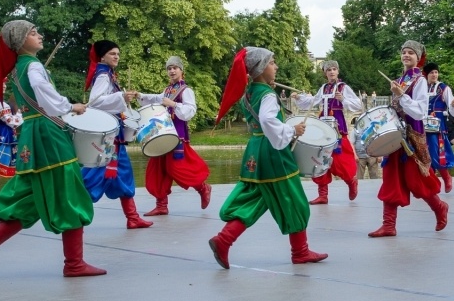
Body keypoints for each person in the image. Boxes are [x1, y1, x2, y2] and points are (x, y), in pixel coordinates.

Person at [0, 20, 105, 276]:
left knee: (28, 198)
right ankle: (73, 264)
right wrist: (70, 106)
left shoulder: (16, 68)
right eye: (33, 32)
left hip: (30, 135)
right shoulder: (33, 65)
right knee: (68, 192)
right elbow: (43, 92)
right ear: (19, 41)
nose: (39, 35)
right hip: (49, 135)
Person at [207, 47, 327, 267]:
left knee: (256, 198)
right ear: (261, 68)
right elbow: (267, 120)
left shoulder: (249, 93)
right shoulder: (268, 94)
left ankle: (223, 240)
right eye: (272, 62)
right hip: (273, 153)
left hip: (254, 150)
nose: (276, 66)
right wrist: (293, 131)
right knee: (294, 199)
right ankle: (300, 252)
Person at [368, 40, 448, 237]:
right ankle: (388, 225)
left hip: (411, 136)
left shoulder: (420, 81)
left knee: (417, 180)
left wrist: (401, 95)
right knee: (390, 178)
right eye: (404, 52)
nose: (406, 55)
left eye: (411, 52)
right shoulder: (400, 79)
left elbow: (420, 110)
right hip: (395, 135)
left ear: (418, 57)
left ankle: (439, 207)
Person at [82, 40, 152, 229]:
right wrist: (121, 97)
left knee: (121, 172)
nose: (116, 57)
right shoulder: (104, 74)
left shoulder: (108, 74)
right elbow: (94, 102)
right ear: (102, 56)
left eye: (118, 54)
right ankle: (73, 209)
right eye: (113, 54)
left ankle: (133, 217)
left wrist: (122, 98)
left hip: (112, 135)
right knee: (94, 173)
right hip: (108, 136)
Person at [137, 56, 211, 216]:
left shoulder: (186, 90)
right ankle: (161, 205)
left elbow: (190, 111)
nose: (171, 71)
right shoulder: (168, 90)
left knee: (179, 168)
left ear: (181, 70)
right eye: (169, 68)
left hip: (177, 136)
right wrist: (139, 95)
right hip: (162, 134)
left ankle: (203, 188)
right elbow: (156, 99)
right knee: (158, 169)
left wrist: (174, 104)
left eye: (174, 68)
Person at [291, 60, 362, 204]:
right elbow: (313, 101)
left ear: (338, 71)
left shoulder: (343, 87)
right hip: (323, 125)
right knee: (318, 158)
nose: (331, 72)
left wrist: (344, 99)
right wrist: (299, 97)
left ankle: (351, 181)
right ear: (325, 73)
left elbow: (358, 104)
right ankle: (323, 195)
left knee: (341, 159)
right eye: (328, 69)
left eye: (334, 69)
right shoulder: (323, 88)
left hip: (337, 126)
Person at [424, 62, 454, 192]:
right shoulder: (421, 87)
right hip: (422, 123)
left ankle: (446, 177)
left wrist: (452, 104)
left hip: (437, 125)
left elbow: (452, 107)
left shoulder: (443, 88)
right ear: (426, 75)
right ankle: (431, 182)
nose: (434, 75)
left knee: (437, 151)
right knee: (423, 153)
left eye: (436, 72)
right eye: (431, 73)